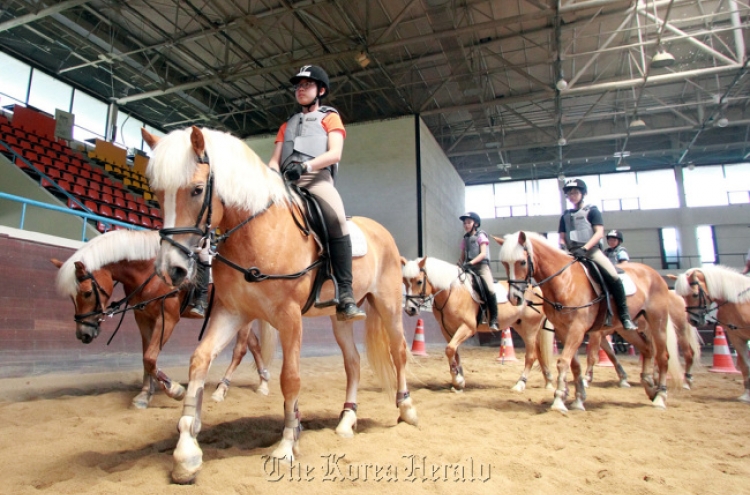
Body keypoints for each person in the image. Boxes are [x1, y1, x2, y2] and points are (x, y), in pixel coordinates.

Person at [267, 65, 365, 321]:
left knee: (337, 220)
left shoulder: (330, 117)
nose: (300, 89)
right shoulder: (286, 124)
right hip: (286, 184)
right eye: (298, 85)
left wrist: (306, 166)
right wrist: (270, 176)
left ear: (320, 90)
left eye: (306, 85)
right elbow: (275, 160)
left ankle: (346, 294)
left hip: (315, 179)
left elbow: (335, 153)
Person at [558, 179, 637, 330]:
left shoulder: (592, 211)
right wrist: (562, 246)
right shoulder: (565, 215)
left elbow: (599, 233)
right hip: (571, 253)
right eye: (569, 193)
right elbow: (562, 235)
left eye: (575, 192)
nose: (572, 196)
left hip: (591, 251)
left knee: (613, 276)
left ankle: (624, 315)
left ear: (583, 194)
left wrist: (586, 248)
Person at [458, 212, 499, 331]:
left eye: (468, 222)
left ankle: (494, 320)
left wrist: (470, 263)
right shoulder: (465, 239)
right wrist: (459, 265)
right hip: (469, 268)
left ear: (475, 223)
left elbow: (483, 254)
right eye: (464, 223)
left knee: (490, 290)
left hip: (482, 267)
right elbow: (462, 257)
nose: (466, 225)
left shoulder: (481, 235)